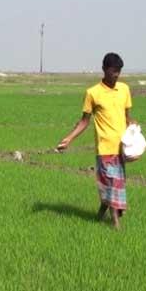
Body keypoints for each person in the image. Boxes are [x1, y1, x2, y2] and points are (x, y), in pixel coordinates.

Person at [56, 52, 135, 229]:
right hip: (104, 148)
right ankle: (116, 225)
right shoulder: (93, 93)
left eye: (119, 71)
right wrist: (68, 139)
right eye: (113, 71)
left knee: (113, 186)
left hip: (121, 148)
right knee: (112, 184)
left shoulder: (124, 89)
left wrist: (134, 130)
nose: (116, 75)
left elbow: (127, 117)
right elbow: (84, 121)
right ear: (104, 69)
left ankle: (99, 216)